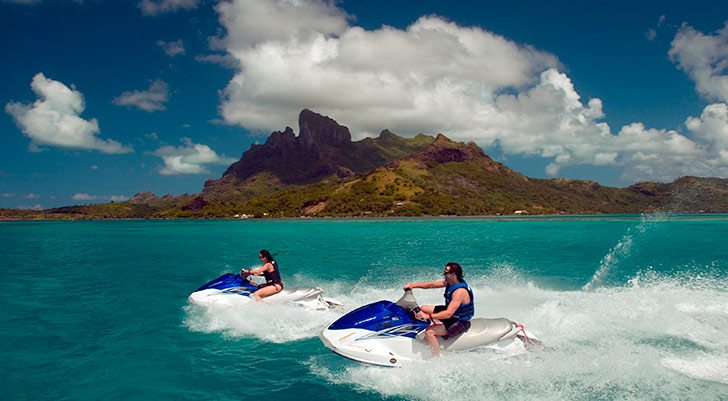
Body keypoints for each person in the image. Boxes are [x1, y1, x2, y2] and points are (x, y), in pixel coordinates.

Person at [403, 262, 474, 356]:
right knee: (423, 308)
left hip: (459, 321)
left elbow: (448, 314)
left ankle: (435, 358)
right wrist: (413, 286)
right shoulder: (450, 282)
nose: (444, 275)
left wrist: (427, 316)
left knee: (429, 332)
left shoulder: (459, 292)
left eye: (446, 273)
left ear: (453, 274)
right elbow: (432, 285)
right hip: (453, 314)